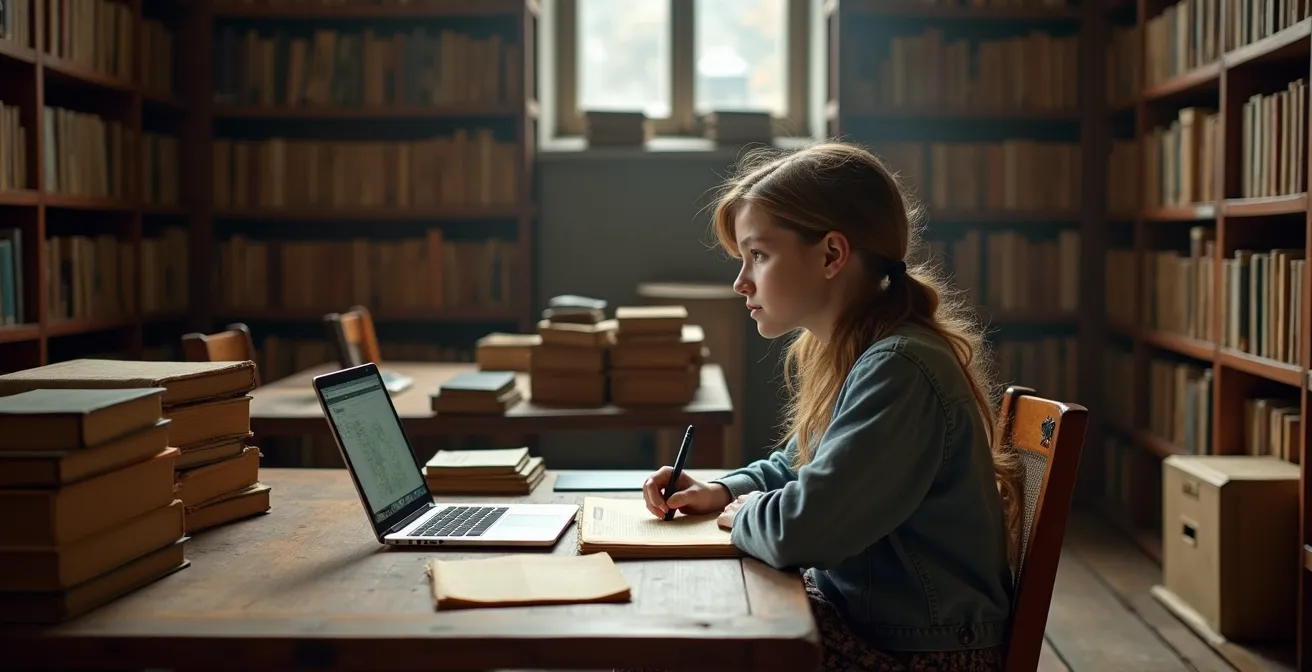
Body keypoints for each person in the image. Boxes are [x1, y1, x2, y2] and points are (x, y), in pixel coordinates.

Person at [639, 142, 1020, 672]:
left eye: (760, 255)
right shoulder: (860, 350)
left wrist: (749, 512)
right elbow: (797, 466)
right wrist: (723, 490)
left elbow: (806, 527)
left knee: (663, 639)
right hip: (875, 624)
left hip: (922, 652)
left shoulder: (900, 367)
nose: (740, 281)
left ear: (832, 255)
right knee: (668, 623)